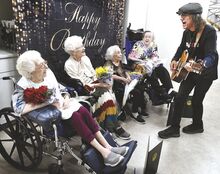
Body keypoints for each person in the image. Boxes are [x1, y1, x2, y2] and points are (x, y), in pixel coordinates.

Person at [12, 50, 129, 167]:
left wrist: (66, 97)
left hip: (62, 105)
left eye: (45, 62)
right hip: (52, 111)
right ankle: (104, 153)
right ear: (31, 71)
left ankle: (108, 146)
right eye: (42, 65)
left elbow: (61, 89)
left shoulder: (47, 74)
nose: (46, 66)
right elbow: (18, 108)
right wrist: (47, 102)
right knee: (76, 116)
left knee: (83, 109)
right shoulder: (23, 85)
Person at [158, 3, 218, 139]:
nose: (181, 18)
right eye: (181, 16)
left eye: (185, 16)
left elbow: (212, 55)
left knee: (197, 100)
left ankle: (198, 125)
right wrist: (175, 59)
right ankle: (174, 128)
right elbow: (181, 48)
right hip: (189, 70)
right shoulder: (187, 32)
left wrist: (202, 64)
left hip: (205, 73)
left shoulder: (209, 32)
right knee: (179, 97)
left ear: (195, 18)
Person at [64, 35, 130, 140]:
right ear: (73, 52)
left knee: (110, 96)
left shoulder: (85, 58)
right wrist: (100, 85)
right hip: (87, 89)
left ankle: (110, 127)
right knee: (108, 98)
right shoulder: (69, 64)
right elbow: (81, 84)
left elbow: (94, 74)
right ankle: (114, 127)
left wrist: (104, 79)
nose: (84, 48)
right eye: (81, 47)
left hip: (97, 84)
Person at [105, 45, 148, 124]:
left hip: (125, 82)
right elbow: (110, 75)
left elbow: (124, 71)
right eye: (118, 53)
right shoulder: (108, 63)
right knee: (136, 92)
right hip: (117, 85)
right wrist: (124, 79)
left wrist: (128, 77)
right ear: (112, 55)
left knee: (141, 88)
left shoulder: (119, 62)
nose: (121, 54)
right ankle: (135, 112)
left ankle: (141, 108)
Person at [128, 30, 175, 102]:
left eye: (149, 37)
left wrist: (153, 61)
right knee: (151, 72)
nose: (147, 38)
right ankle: (161, 92)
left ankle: (170, 89)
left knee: (162, 69)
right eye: (146, 37)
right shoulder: (138, 44)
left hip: (150, 64)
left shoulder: (153, 45)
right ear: (143, 38)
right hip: (139, 65)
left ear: (152, 39)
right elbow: (130, 56)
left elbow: (155, 56)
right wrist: (141, 61)